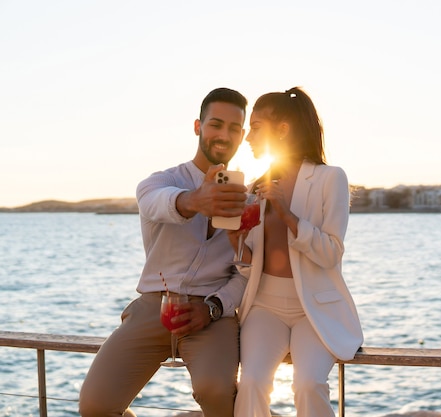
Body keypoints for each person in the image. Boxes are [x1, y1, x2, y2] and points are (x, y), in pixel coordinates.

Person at [79, 87, 249, 417]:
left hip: (210, 315)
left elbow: (246, 274)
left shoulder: (249, 199)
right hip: (154, 306)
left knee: (216, 392)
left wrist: (213, 308)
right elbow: (154, 203)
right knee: (95, 406)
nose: (223, 135)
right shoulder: (160, 181)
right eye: (215, 124)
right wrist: (194, 200)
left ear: (242, 135)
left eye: (233, 128)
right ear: (198, 127)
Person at [229, 87, 363, 417]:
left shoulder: (331, 178)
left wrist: (288, 215)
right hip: (264, 306)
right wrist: (238, 246)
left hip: (313, 311)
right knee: (251, 384)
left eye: (256, 126)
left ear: (283, 129)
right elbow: (250, 266)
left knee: (308, 385)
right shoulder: (255, 188)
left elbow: (331, 252)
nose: (248, 137)